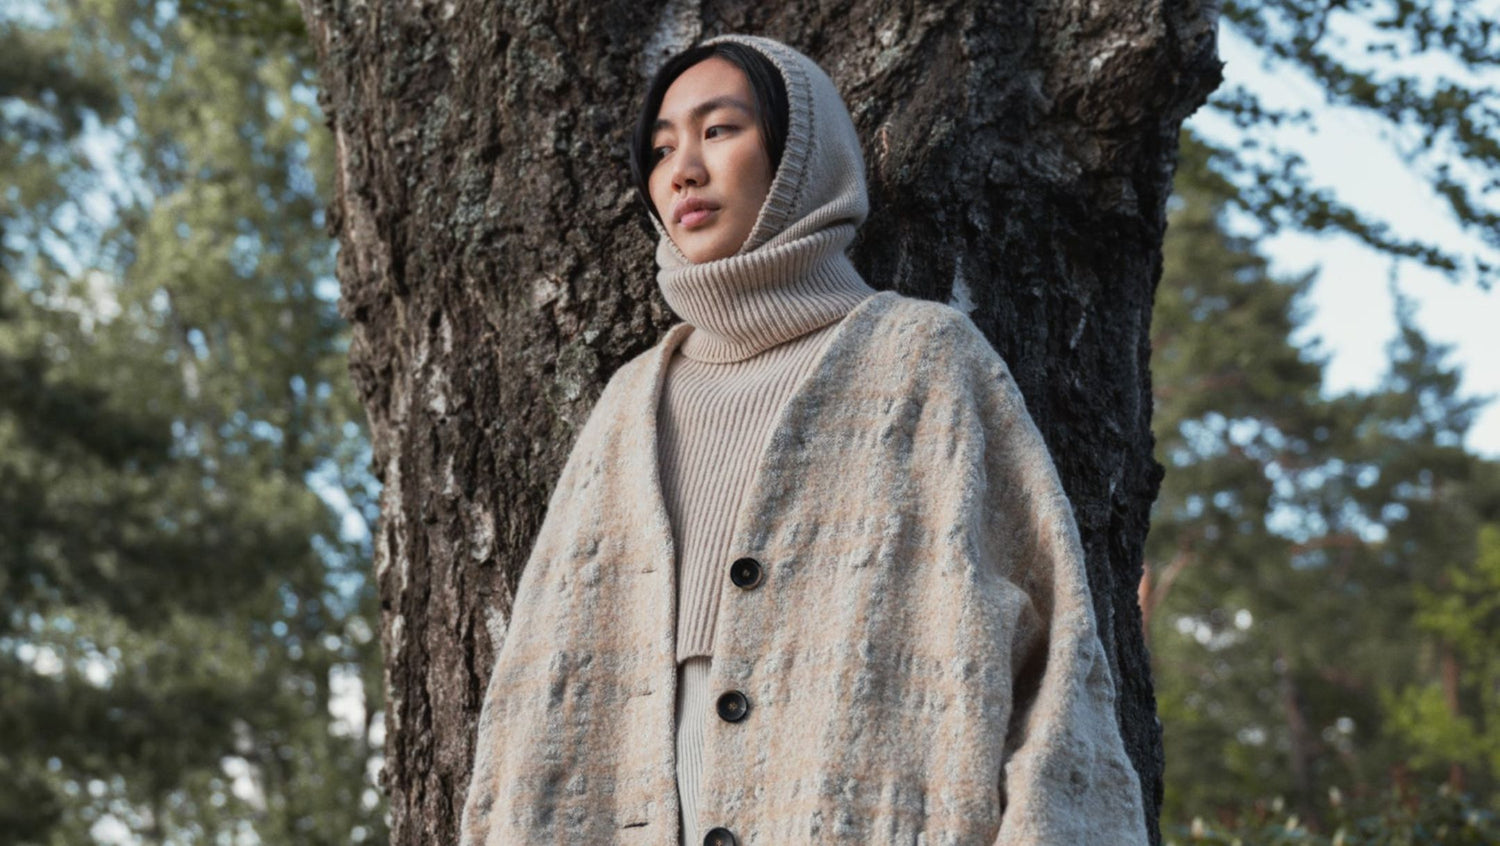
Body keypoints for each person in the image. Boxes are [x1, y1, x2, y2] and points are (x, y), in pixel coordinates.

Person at [458, 34, 1150, 846]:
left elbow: (1057, 660)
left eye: (719, 130)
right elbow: (530, 691)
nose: (682, 168)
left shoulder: (923, 358)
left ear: (798, 155)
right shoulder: (628, 401)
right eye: (660, 148)